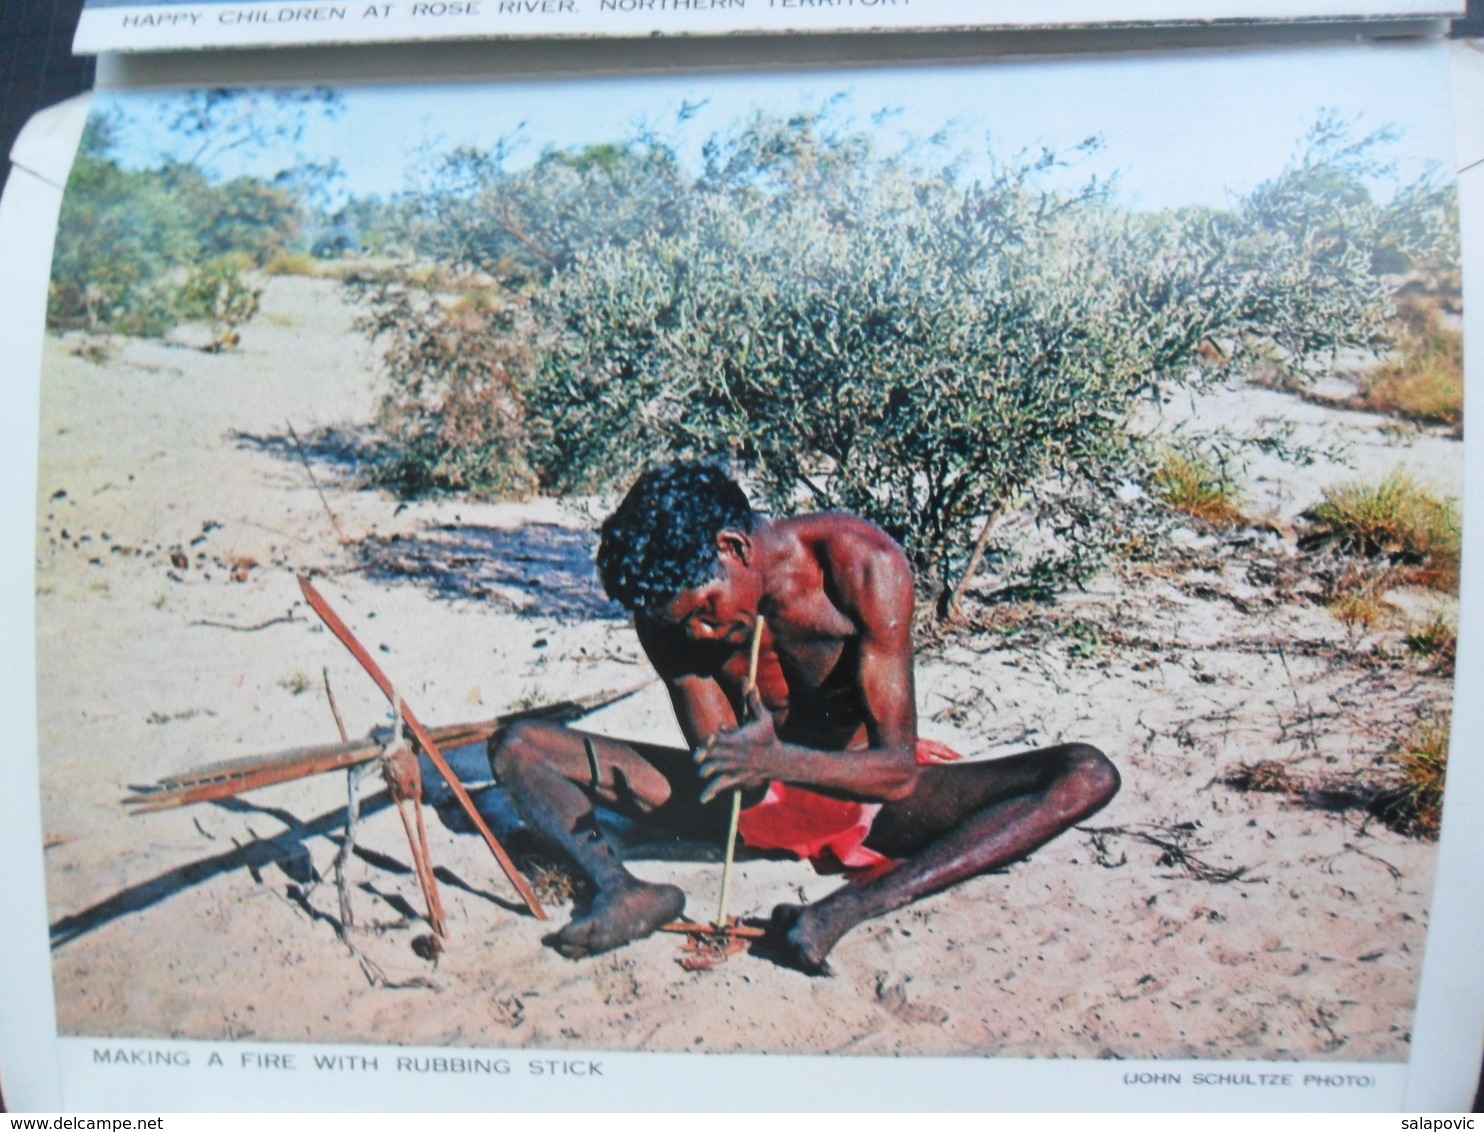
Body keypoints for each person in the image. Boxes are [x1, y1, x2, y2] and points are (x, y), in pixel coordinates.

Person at [490, 462, 1119, 973]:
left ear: (734, 548)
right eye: (685, 624)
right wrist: (753, 758)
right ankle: (621, 888)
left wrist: (777, 758)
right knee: (519, 747)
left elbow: (898, 772)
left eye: (708, 610)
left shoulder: (861, 566)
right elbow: (733, 776)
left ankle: (846, 909)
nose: (702, 632)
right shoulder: (670, 614)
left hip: (867, 801)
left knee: (1085, 773)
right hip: (748, 804)